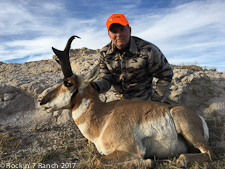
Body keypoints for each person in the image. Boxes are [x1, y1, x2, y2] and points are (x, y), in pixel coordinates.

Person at [92, 13, 173, 102]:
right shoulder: (104, 53)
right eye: (114, 31)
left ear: (129, 30)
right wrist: (93, 86)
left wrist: (155, 100)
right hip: (117, 101)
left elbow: (166, 74)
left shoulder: (148, 50)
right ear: (109, 35)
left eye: (122, 29)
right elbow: (105, 78)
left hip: (143, 101)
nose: (119, 34)